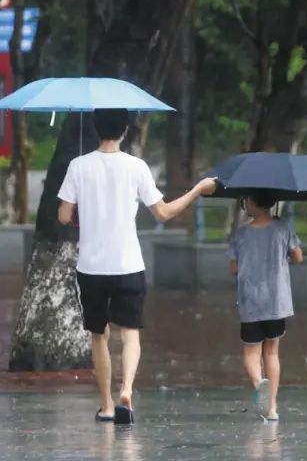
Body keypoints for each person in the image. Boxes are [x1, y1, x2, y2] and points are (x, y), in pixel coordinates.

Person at [57, 107, 216, 425]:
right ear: (126, 130)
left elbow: (63, 216)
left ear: (94, 127)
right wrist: (198, 190)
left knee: (98, 336)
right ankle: (127, 391)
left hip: (92, 267)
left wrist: (81, 214)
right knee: (130, 334)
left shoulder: (78, 166)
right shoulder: (136, 167)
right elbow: (164, 213)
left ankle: (105, 405)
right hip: (128, 264)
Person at [227, 191, 303, 421]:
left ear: (251, 202)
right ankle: (271, 408)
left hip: (251, 300)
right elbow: (298, 257)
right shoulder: (283, 229)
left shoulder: (241, 234)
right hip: (276, 301)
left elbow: (233, 268)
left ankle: (260, 384)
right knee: (272, 352)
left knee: (251, 352)